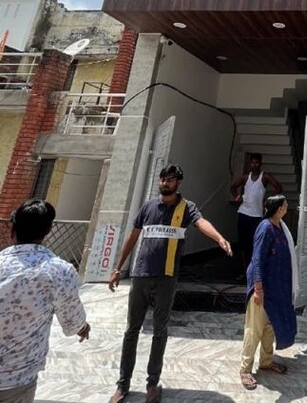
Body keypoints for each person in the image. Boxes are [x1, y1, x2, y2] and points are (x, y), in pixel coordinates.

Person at [108, 164, 233, 403]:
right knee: (131, 330)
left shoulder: (186, 207)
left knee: (160, 331)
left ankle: (152, 384)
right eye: (163, 179)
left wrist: (218, 238)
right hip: (141, 275)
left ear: (178, 183)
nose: (165, 183)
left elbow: (201, 222)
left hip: (166, 278)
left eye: (170, 180)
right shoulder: (147, 207)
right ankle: (123, 384)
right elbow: (133, 236)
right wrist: (117, 268)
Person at [0, 199, 90, 403]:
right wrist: (82, 327)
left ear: (12, 230)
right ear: (48, 230)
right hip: (16, 378)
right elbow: (72, 322)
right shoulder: (59, 271)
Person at [240, 194, 297, 391]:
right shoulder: (265, 228)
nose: (287, 206)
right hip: (262, 289)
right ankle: (245, 369)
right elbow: (257, 259)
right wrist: (258, 289)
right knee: (254, 329)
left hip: (276, 291)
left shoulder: (280, 227)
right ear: (279, 209)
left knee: (269, 327)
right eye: (285, 204)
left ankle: (266, 361)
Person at [230, 153, 283, 273]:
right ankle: (244, 270)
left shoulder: (265, 177)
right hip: (243, 212)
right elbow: (233, 187)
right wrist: (237, 196)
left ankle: (255, 269)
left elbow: (279, 187)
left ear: (260, 164)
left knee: (256, 242)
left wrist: (269, 199)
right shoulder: (245, 177)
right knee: (243, 243)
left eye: (257, 163)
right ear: (250, 164)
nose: (254, 165)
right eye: (252, 163)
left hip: (257, 215)